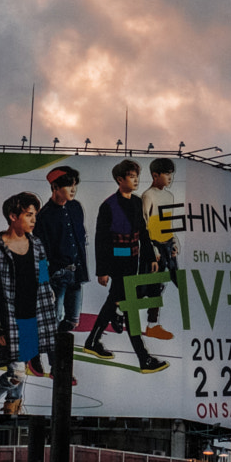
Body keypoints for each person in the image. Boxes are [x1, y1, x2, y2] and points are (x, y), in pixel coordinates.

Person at [81, 159, 168, 372]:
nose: (136, 179)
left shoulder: (137, 202)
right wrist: (102, 271)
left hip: (134, 262)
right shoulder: (108, 205)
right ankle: (143, 357)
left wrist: (150, 259)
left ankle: (92, 341)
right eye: (131, 176)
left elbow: (144, 234)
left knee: (114, 303)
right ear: (120, 180)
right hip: (117, 263)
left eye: (137, 176)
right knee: (129, 308)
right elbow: (101, 240)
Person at [0, 190, 58, 385]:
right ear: (13, 216)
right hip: (11, 320)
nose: (33, 220)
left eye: (35, 215)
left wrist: (48, 293)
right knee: (16, 374)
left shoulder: (37, 244)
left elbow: (43, 275)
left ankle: (11, 408)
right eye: (28, 215)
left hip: (35, 316)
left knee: (21, 374)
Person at [40, 166, 89, 338]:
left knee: (73, 321)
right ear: (55, 187)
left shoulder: (76, 207)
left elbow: (81, 240)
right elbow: (41, 255)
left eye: (75, 184)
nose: (73, 189)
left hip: (76, 272)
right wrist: (45, 284)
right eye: (68, 185)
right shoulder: (44, 216)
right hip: (57, 276)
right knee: (53, 320)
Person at [139, 157, 183, 335]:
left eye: (171, 174)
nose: (170, 177)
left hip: (167, 245)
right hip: (154, 246)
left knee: (174, 280)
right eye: (166, 174)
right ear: (155, 175)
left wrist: (174, 241)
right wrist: (152, 248)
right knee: (148, 286)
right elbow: (144, 224)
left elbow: (168, 223)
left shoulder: (170, 196)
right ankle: (147, 322)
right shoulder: (148, 196)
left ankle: (152, 324)